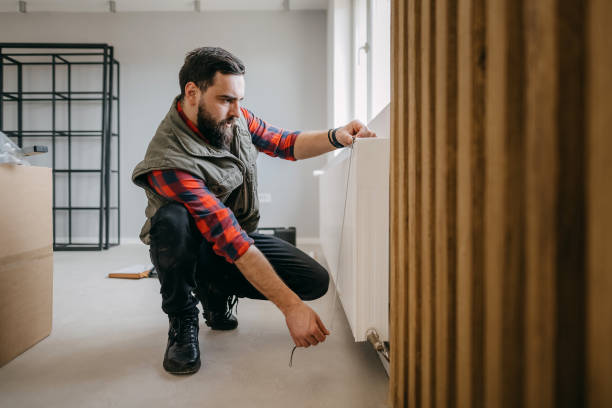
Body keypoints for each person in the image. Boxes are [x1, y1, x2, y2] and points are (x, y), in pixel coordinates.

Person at [132, 47, 376, 375]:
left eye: (239, 100)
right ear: (192, 92)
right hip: (196, 243)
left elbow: (285, 142)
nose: (236, 111)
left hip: (231, 237)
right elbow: (226, 234)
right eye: (225, 99)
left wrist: (337, 136)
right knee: (171, 221)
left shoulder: (237, 118)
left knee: (313, 281)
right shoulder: (168, 160)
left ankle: (215, 289)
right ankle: (182, 320)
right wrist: (291, 308)